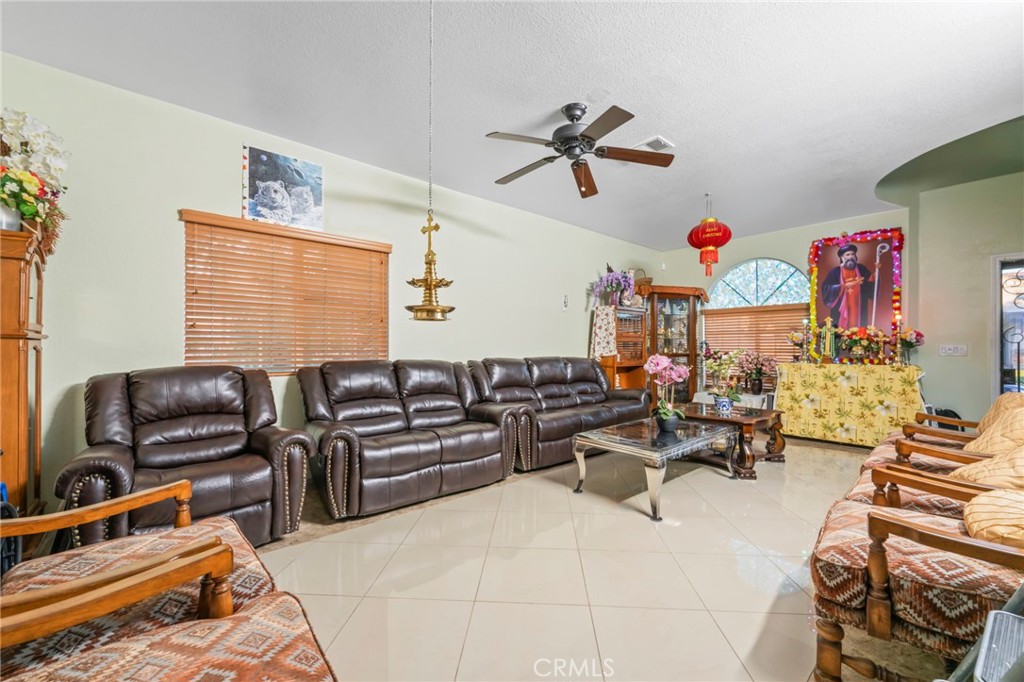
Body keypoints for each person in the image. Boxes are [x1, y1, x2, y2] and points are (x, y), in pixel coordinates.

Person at [821, 244, 874, 327]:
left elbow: (870, 282)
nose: (850, 257)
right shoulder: (835, 271)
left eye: (853, 254)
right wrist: (844, 286)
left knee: (859, 325)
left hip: (858, 303)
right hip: (841, 304)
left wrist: (876, 275)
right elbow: (826, 287)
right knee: (840, 327)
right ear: (842, 257)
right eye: (847, 254)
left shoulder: (861, 269)